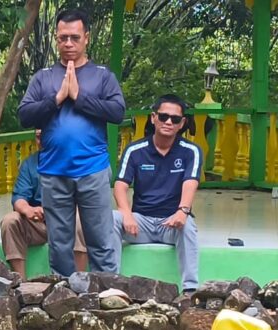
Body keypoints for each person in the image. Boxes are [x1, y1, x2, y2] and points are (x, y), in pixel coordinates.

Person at [18, 8, 125, 276]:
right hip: (54, 172)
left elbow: (117, 112)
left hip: (93, 170)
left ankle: (108, 294)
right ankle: (63, 298)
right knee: (59, 244)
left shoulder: (102, 76)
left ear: (86, 38)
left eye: (74, 37)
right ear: (56, 38)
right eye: (63, 37)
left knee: (100, 241)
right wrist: (56, 98)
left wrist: (79, 97)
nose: (68, 43)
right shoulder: (43, 77)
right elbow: (24, 115)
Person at [111, 94, 202, 292]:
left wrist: (183, 210)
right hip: (139, 222)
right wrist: (126, 214)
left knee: (188, 226)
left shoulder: (191, 151)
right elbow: (120, 185)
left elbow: (190, 182)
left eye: (175, 119)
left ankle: (190, 291)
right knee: (111, 219)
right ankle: (112, 283)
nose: (168, 122)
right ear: (153, 118)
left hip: (172, 222)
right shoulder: (135, 150)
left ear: (182, 123)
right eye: (163, 117)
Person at [0, 129, 88, 276]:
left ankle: (78, 281)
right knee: (10, 221)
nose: (41, 141)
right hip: (39, 223)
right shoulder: (29, 164)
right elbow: (19, 197)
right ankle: (21, 284)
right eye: (38, 137)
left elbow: (86, 198)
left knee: (81, 218)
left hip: (67, 222)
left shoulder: (75, 161)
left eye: (45, 136)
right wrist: (28, 209)